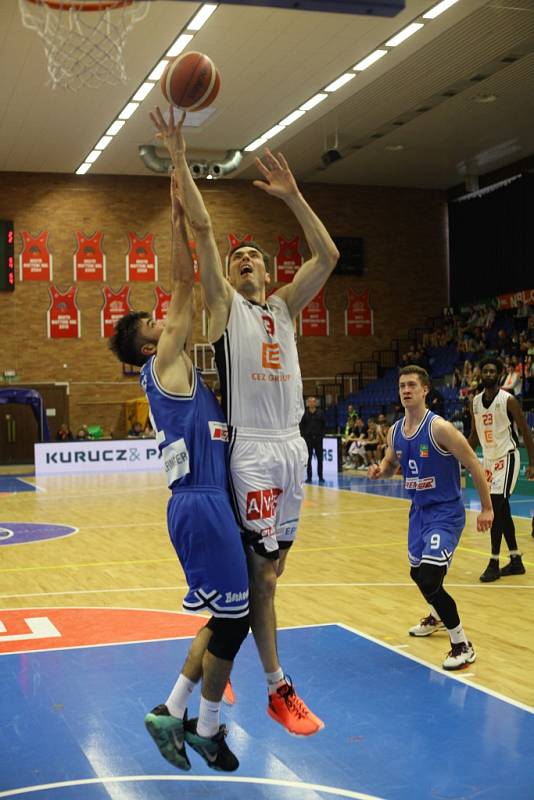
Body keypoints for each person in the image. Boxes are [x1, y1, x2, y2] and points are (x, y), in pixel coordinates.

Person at [151, 105, 338, 737]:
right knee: (261, 575)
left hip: (293, 452)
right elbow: (204, 233)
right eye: (239, 259)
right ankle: (276, 687)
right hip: (253, 451)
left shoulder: (284, 305)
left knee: (272, 572)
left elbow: (328, 253)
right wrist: (180, 159)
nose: (246, 260)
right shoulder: (224, 308)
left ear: (269, 270)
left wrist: (293, 197)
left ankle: (222, 653)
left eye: (255, 256)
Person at [109, 172, 249, 772]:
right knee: (235, 621)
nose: (162, 322)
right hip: (199, 503)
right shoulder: (164, 360)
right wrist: (174, 220)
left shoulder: (174, 371)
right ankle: (205, 726)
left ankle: (174, 712)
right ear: (148, 346)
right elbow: (185, 282)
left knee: (227, 617)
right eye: (152, 323)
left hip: (206, 500)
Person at [368, 365, 493, 670]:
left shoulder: (440, 429)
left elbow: (474, 465)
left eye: (412, 385)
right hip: (418, 514)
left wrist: (487, 508)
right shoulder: (395, 431)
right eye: (402, 386)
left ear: (425, 390)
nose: (406, 390)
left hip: (446, 512)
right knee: (417, 574)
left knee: (429, 577)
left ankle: (461, 643)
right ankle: (436, 615)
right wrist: (380, 471)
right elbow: (390, 462)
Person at [468, 357, 534, 582]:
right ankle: (515, 560)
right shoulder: (475, 402)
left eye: (492, 371)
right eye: (484, 370)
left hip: (508, 458)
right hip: (488, 461)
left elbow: (526, 431)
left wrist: (533, 463)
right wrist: (461, 457)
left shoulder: (508, 400)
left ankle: (494, 562)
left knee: (494, 507)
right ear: (480, 373)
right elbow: (474, 436)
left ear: (498, 374)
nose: (488, 374)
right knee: (502, 510)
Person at [300, 396, 326, 483]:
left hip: (318, 439)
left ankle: (321, 477)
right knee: (308, 459)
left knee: (320, 459)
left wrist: (321, 436)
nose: (311, 403)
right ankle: (309, 477)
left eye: (313, 401)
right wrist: (304, 437)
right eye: (309, 402)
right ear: (307, 403)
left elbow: (324, 425)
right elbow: (302, 426)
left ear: (315, 403)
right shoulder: (304, 413)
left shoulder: (321, 413)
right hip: (308, 439)